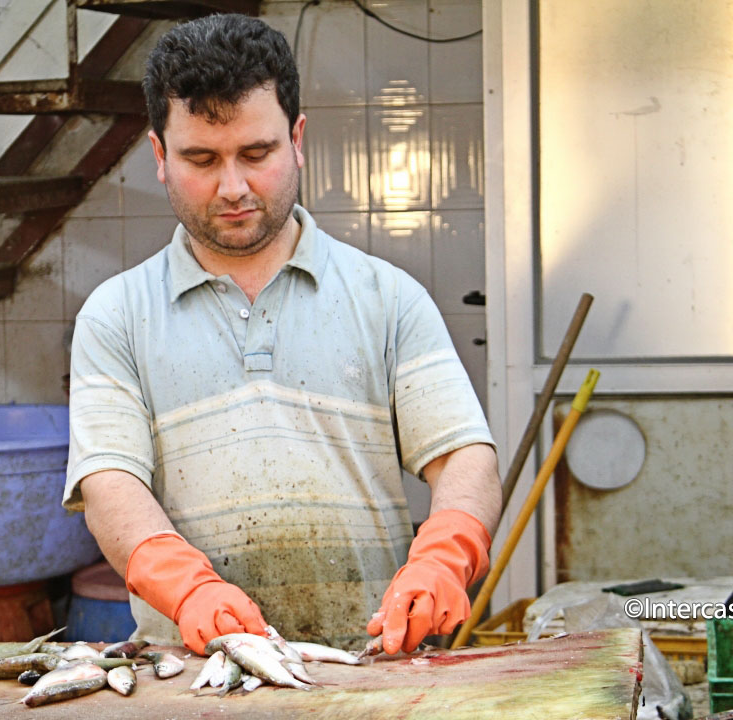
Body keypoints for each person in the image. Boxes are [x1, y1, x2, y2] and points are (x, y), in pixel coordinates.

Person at [62, 13, 501, 655]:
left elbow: (465, 455)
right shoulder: (116, 315)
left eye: (256, 154)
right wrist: (188, 590)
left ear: (296, 139)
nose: (233, 187)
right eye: (201, 159)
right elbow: (109, 486)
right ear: (160, 155)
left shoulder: (388, 297)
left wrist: (444, 554)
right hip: (194, 673)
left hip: (372, 666)